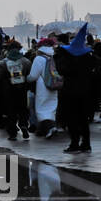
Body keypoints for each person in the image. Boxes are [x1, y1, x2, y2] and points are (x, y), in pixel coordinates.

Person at [57, 24, 94, 153]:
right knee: (83, 119)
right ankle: (86, 143)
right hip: (85, 91)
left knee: (72, 118)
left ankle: (74, 143)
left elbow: (61, 70)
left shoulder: (67, 57)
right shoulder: (89, 57)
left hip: (70, 92)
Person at [0, 39, 30, 140]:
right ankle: (24, 125)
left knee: (11, 111)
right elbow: (29, 75)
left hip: (8, 90)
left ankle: (13, 133)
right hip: (22, 89)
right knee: (23, 109)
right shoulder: (25, 61)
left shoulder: (3, 62)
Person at [27, 36, 61, 139]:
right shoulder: (52, 57)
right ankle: (46, 129)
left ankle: (50, 128)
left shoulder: (39, 58)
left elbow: (33, 76)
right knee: (51, 108)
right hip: (53, 85)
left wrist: (27, 78)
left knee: (42, 109)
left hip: (42, 86)